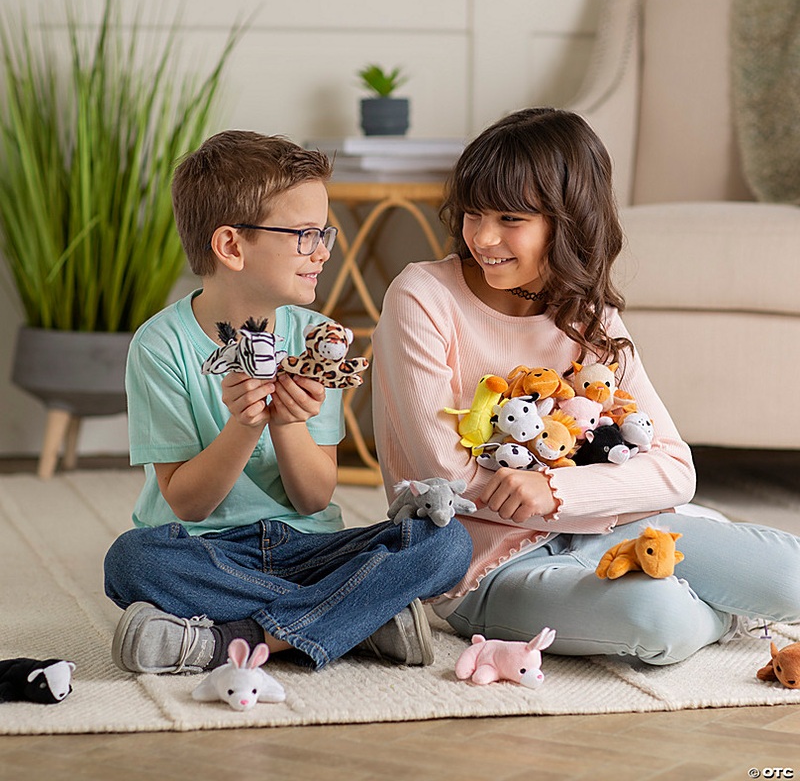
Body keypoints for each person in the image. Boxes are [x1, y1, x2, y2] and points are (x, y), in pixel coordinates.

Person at [371, 107, 800, 666]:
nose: (483, 237)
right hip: (487, 563)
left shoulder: (587, 315)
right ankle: (721, 609)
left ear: (567, 220)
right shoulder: (422, 297)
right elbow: (451, 478)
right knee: (659, 619)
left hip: (620, 526)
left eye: (510, 219)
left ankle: (707, 596)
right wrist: (607, 492)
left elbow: (675, 468)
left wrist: (557, 492)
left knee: (790, 576)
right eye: (474, 214)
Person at [104, 130, 471, 674]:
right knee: (132, 562)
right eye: (303, 234)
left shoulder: (318, 338)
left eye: (324, 232)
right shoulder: (161, 346)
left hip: (309, 548)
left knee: (446, 544)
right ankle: (355, 619)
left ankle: (237, 637)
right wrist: (245, 424)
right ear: (230, 246)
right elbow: (188, 504)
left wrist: (288, 422)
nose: (322, 250)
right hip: (209, 550)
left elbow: (313, 496)